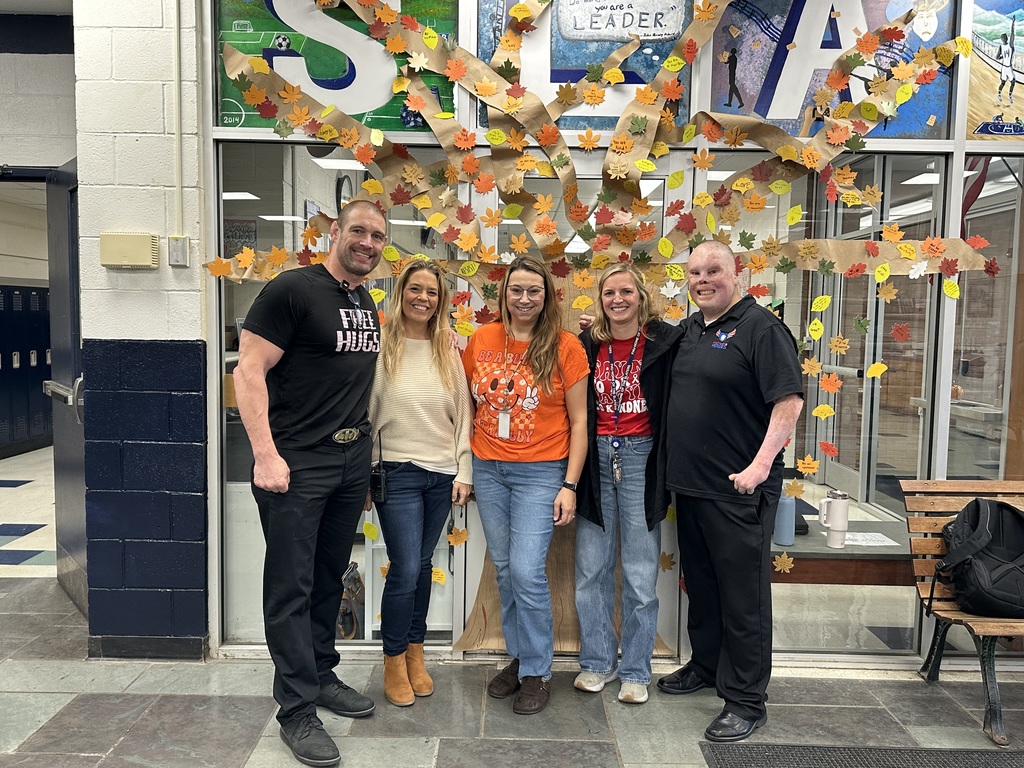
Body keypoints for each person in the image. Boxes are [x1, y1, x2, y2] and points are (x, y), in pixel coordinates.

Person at [234, 199, 385, 767]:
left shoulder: (363, 298)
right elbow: (247, 372)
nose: (367, 243)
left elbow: (348, 384)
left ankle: (321, 673)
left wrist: (364, 465)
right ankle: (296, 710)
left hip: (348, 465)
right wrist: (265, 455)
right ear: (336, 233)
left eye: (376, 236)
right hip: (295, 464)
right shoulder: (291, 290)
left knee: (328, 577)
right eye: (358, 232)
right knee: (290, 586)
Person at [657, 241, 804, 743]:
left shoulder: (763, 329)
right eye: (694, 271)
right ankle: (706, 666)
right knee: (702, 586)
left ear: (736, 273)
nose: (702, 279)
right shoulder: (692, 329)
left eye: (713, 270)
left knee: (743, 598)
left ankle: (746, 700)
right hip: (692, 490)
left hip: (739, 491)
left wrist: (760, 467)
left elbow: (789, 401)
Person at [462, 255, 589, 715]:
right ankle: (521, 658)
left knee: (526, 571)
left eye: (534, 290)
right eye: (517, 289)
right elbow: (468, 406)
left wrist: (569, 484)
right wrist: (465, 467)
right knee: (503, 569)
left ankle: (537, 670)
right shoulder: (481, 339)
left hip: (541, 471)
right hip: (488, 467)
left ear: (547, 296)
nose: (524, 298)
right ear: (504, 294)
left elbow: (580, 421)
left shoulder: (565, 345)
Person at [574, 264, 683, 705]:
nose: (617, 300)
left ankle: (636, 669)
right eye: (609, 293)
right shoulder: (587, 344)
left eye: (626, 292)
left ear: (641, 296)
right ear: (600, 300)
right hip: (596, 456)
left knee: (639, 573)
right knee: (590, 569)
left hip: (641, 456)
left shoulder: (664, 343)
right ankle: (597, 662)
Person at [367, 260, 473, 707]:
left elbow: (463, 413)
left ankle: (415, 652)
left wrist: (463, 469)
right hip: (396, 474)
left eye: (431, 292)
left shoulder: (447, 348)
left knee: (424, 563)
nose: (423, 298)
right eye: (415, 289)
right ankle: (393, 659)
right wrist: (365, 476)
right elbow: (368, 413)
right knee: (406, 567)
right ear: (401, 291)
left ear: (440, 299)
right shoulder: (380, 345)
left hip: (441, 474)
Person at [997, 20, 1016, 106]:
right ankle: (1002, 94)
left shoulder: (1002, 46)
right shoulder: (1009, 45)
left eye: (1003, 39)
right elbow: (1012, 34)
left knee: (1011, 82)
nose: (1003, 40)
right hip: (1006, 67)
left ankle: (1007, 95)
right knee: (1004, 82)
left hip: (1007, 67)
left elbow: (997, 57)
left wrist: (1012, 23)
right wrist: (1013, 22)